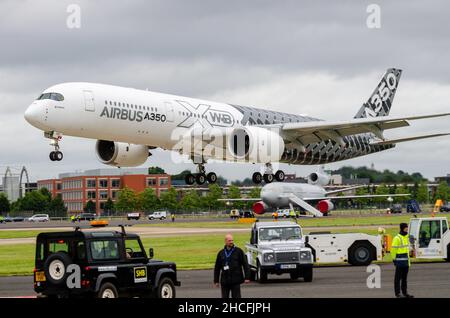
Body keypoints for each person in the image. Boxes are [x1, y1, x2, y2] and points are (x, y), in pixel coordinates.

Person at [214, 234, 250, 298]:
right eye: (229, 240)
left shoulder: (239, 251)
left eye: (232, 240)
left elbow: (245, 264)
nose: (231, 242)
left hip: (236, 280)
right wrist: (216, 281)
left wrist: (247, 277)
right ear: (225, 241)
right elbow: (217, 268)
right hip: (225, 281)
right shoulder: (221, 253)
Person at [391, 223, 414, 298]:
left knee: (404, 279)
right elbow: (393, 249)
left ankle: (405, 293)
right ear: (402, 228)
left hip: (406, 262)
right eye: (405, 228)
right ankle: (397, 294)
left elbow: (409, 247)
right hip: (399, 262)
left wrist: (411, 251)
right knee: (397, 279)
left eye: (407, 227)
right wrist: (394, 259)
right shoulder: (397, 238)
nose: (407, 229)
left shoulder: (407, 237)